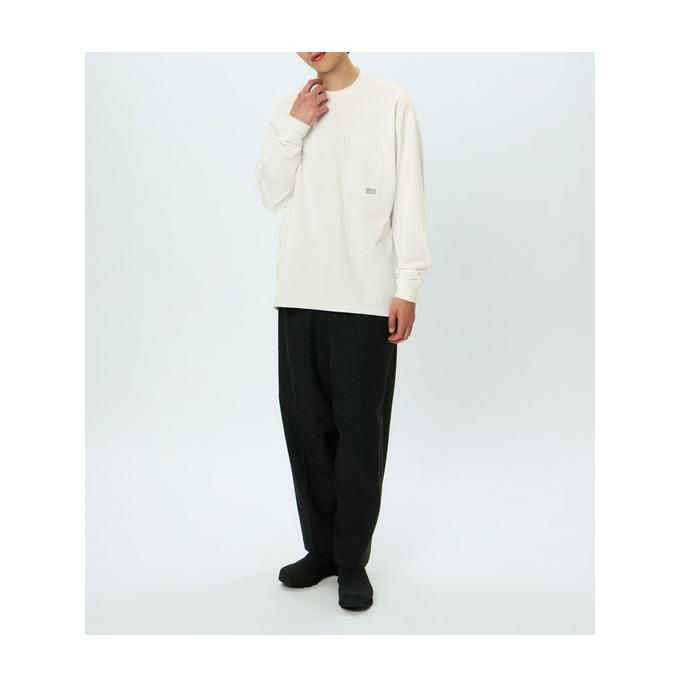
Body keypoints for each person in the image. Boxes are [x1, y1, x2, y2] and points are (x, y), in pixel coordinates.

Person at [254, 51, 432, 611]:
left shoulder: (391, 102)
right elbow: (270, 192)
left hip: (365, 299)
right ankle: (322, 550)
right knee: (307, 430)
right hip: (299, 294)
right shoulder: (291, 107)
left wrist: (408, 284)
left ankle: (353, 560)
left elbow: (410, 197)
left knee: (360, 436)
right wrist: (295, 125)